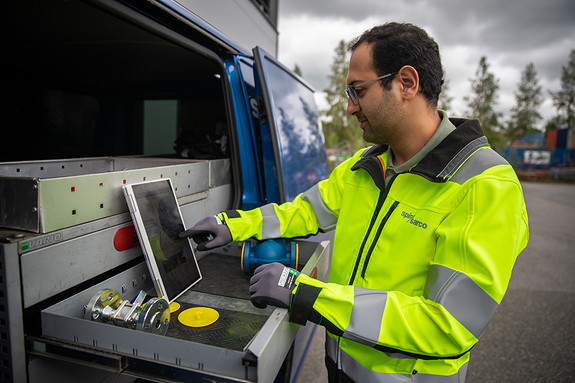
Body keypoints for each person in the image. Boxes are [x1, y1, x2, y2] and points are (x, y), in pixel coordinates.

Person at [181, 22, 529, 383]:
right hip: (340, 367)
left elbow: (447, 324)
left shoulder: (485, 185)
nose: (350, 108)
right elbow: (303, 212)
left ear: (406, 83)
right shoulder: (365, 166)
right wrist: (232, 224)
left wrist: (308, 296)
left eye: (358, 90)